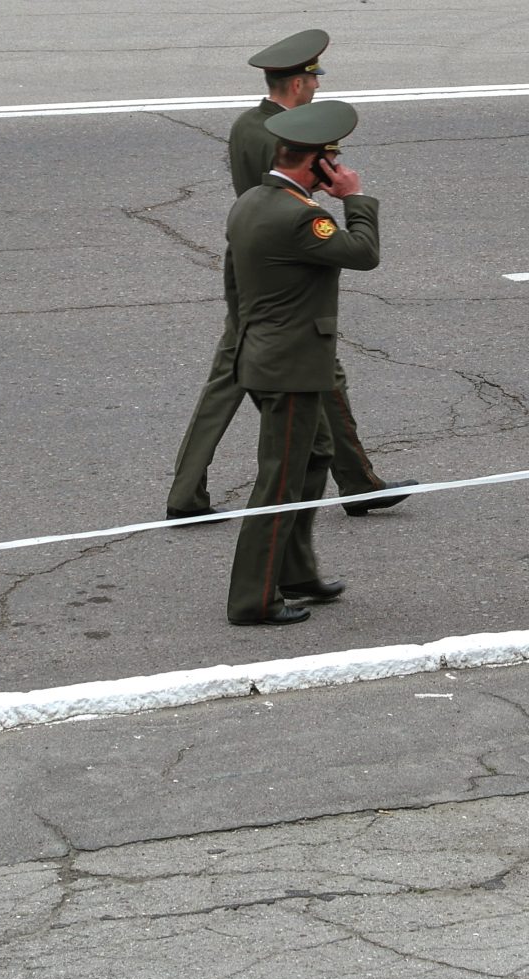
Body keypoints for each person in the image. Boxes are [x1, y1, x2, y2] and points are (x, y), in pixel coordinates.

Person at [166, 29, 416, 522]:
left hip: (249, 261)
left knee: (230, 377)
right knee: (319, 374)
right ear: (299, 84)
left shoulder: (247, 123)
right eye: (314, 80)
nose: (318, 88)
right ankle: (358, 484)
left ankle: (188, 492)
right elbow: (289, 197)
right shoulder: (286, 136)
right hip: (282, 270)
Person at [224, 101, 381, 625]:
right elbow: (362, 252)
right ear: (313, 163)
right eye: (330, 162)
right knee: (279, 483)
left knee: (315, 459)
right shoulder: (301, 215)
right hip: (289, 368)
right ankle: (253, 598)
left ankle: (295, 571)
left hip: (270, 359)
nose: (335, 171)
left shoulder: (251, 201)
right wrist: (354, 197)